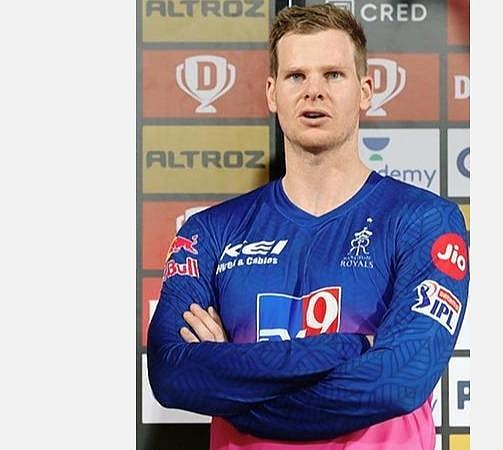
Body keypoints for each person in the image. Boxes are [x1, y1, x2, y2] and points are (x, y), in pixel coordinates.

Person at [147, 4, 469, 450]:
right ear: (271, 93)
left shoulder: (425, 221)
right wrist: (353, 347)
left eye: (333, 75)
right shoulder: (209, 232)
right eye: (296, 76)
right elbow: (172, 373)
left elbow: (398, 381)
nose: (313, 91)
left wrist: (230, 375)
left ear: (365, 91)